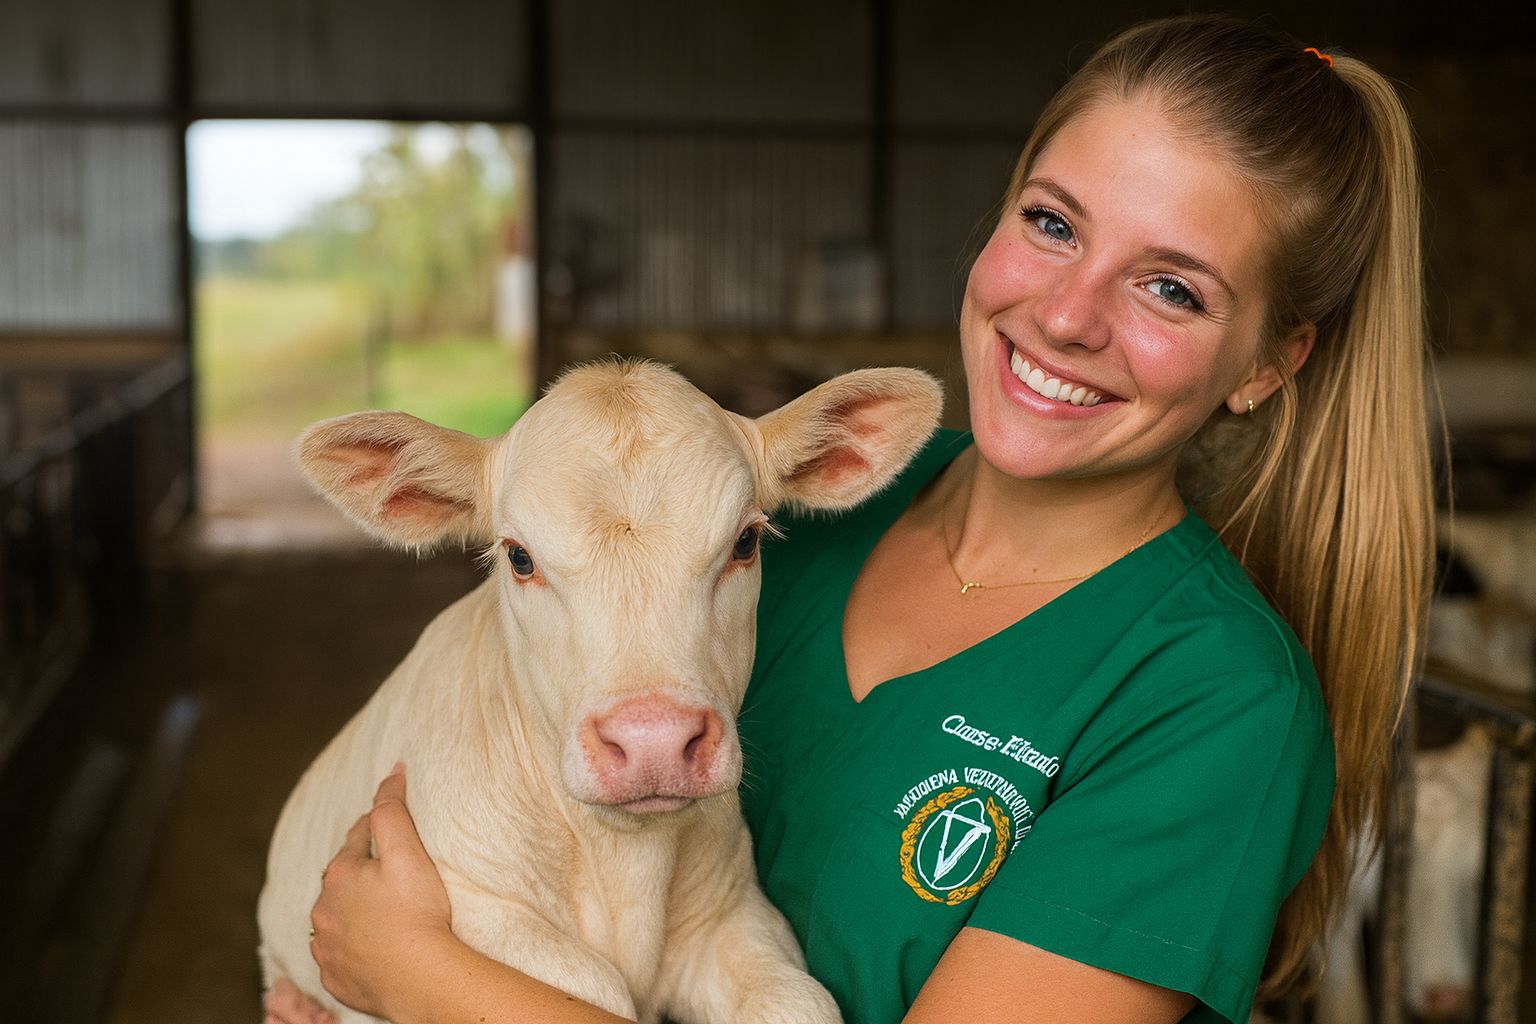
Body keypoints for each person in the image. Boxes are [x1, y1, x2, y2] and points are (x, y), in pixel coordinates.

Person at [262, 14, 1433, 1024]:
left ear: (1268, 364)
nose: (1069, 314)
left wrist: (421, 975)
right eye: (1052, 222)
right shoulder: (781, 510)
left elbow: (416, 954)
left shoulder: (1215, 705)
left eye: (1172, 287)